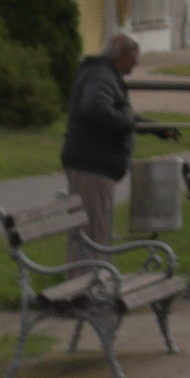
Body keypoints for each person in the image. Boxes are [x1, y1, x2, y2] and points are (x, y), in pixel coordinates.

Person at [65, 31, 143, 249]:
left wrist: (154, 127)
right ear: (123, 53)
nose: (137, 63)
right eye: (135, 56)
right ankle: (87, 279)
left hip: (97, 165)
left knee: (98, 229)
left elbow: (116, 113)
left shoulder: (104, 74)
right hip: (92, 164)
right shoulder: (101, 75)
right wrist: (128, 123)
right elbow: (95, 109)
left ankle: (93, 277)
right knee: (92, 233)